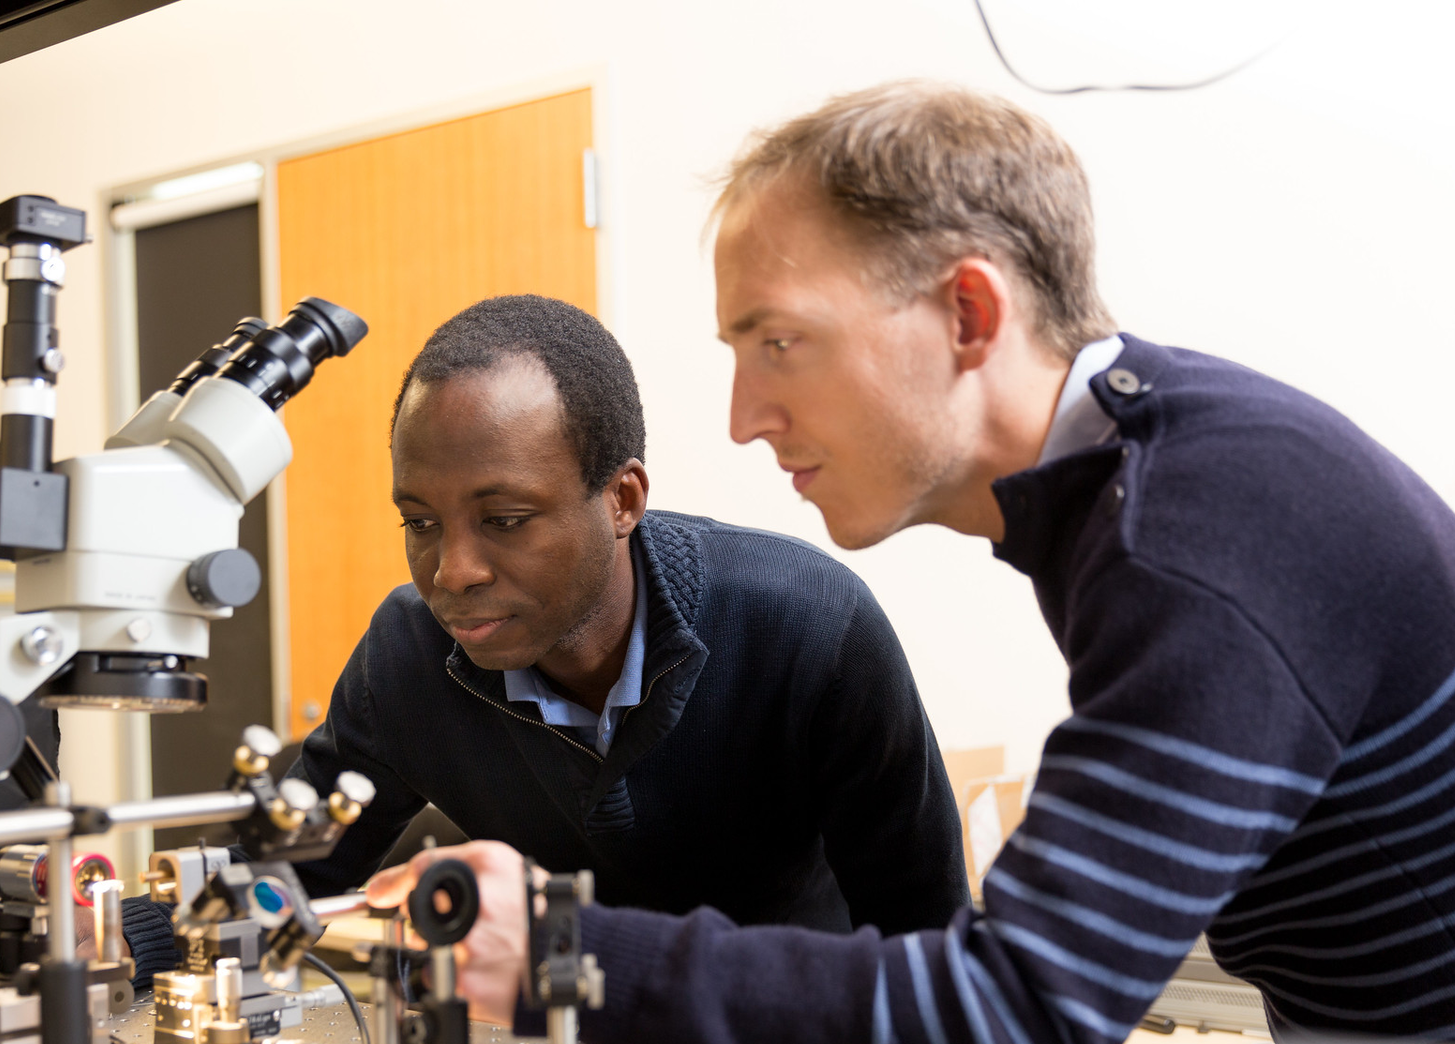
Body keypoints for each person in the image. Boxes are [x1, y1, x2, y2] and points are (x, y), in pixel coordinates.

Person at [370, 82, 1455, 1044]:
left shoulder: (1201, 535)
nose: (744, 416)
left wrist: (559, 950)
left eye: (779, 344)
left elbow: (1013, 1024)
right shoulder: (1151, 478)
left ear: (967, 314)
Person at [118, 294, 968, 981]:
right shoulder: (407, 656)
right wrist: (114, 942)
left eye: (506, 519)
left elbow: (930, 943)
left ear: (623, 500)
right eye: (419, 521)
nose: (452, 571)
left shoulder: (809, 627)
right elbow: (295, 865)